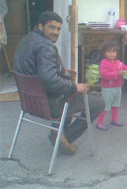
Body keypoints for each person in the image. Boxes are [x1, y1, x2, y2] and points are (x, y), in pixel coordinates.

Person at [14, 11, 104, 155]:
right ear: (40, 26)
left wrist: (64, 74)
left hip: (29, 103)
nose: (56, 32)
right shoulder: (46, 47)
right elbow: (50, 80)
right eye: (51, 27)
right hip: (47, 105)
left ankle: (59, 130)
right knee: (98, 103)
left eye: (58, 28)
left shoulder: (26, 40)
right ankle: (62, 137)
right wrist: (76, 86)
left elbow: (37, 72)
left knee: (67, 84)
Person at [96, 42, 127, 130]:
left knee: (116, 104)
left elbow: (125, 68)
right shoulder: (103, 63)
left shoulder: (119, 63)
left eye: (114, 51)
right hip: (107, 88)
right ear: (104, 53)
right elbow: (104, 75)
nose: (112, 54)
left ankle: (114, 119)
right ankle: (99, 122)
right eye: (109, 51)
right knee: (105, 106)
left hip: (118, 87)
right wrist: (118, 74)